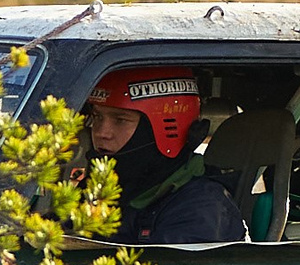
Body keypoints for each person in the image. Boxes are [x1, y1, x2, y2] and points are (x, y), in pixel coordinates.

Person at [74, 66, 247, 245]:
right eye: (97, 117)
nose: (102, 132)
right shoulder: (101, 189)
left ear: (162, 128)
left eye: (120, 120)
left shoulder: (200, 207)